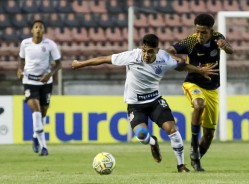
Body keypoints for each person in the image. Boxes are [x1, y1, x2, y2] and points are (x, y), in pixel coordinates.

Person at [71, 34, 218, 172]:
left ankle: (181, 165)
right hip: (135, 104)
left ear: (157, 50)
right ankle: (152, 143)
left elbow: (181, 66)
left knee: (172, 130)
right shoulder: (132, 56)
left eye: (151, 52)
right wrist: (80, 64)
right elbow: (104, 59)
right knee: (141, 135)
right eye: (145, 51)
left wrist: (200, 71)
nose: (147, 55)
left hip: (155, 101)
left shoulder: (164, 58)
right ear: (142, 48)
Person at [166, 13, 233, 171]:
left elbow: (230, 50)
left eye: (204, 32)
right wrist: (181, 62)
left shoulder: (218, 38)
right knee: (199, 105)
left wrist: (225, 46)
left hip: (212, 89)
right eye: (198, 31)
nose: (200, 35)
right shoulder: (190, 41)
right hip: (192, 83)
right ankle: (194, 145)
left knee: (209, 135)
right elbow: (168, 51)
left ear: (211, 31)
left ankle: (196, 159)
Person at [17, 20, 61, 156]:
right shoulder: (25, 44)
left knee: (42, 114)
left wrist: (49, 75)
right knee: (35, 111)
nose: (38, 30)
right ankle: (44, 147)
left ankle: (36, 136)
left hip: (45, 83)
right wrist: (19, 69)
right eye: (36, 27)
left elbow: (59, 64)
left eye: (40, 27)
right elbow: (21, 59)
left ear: (43, 31)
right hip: (29, 81)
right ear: (32, 30)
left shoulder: (50, 45)